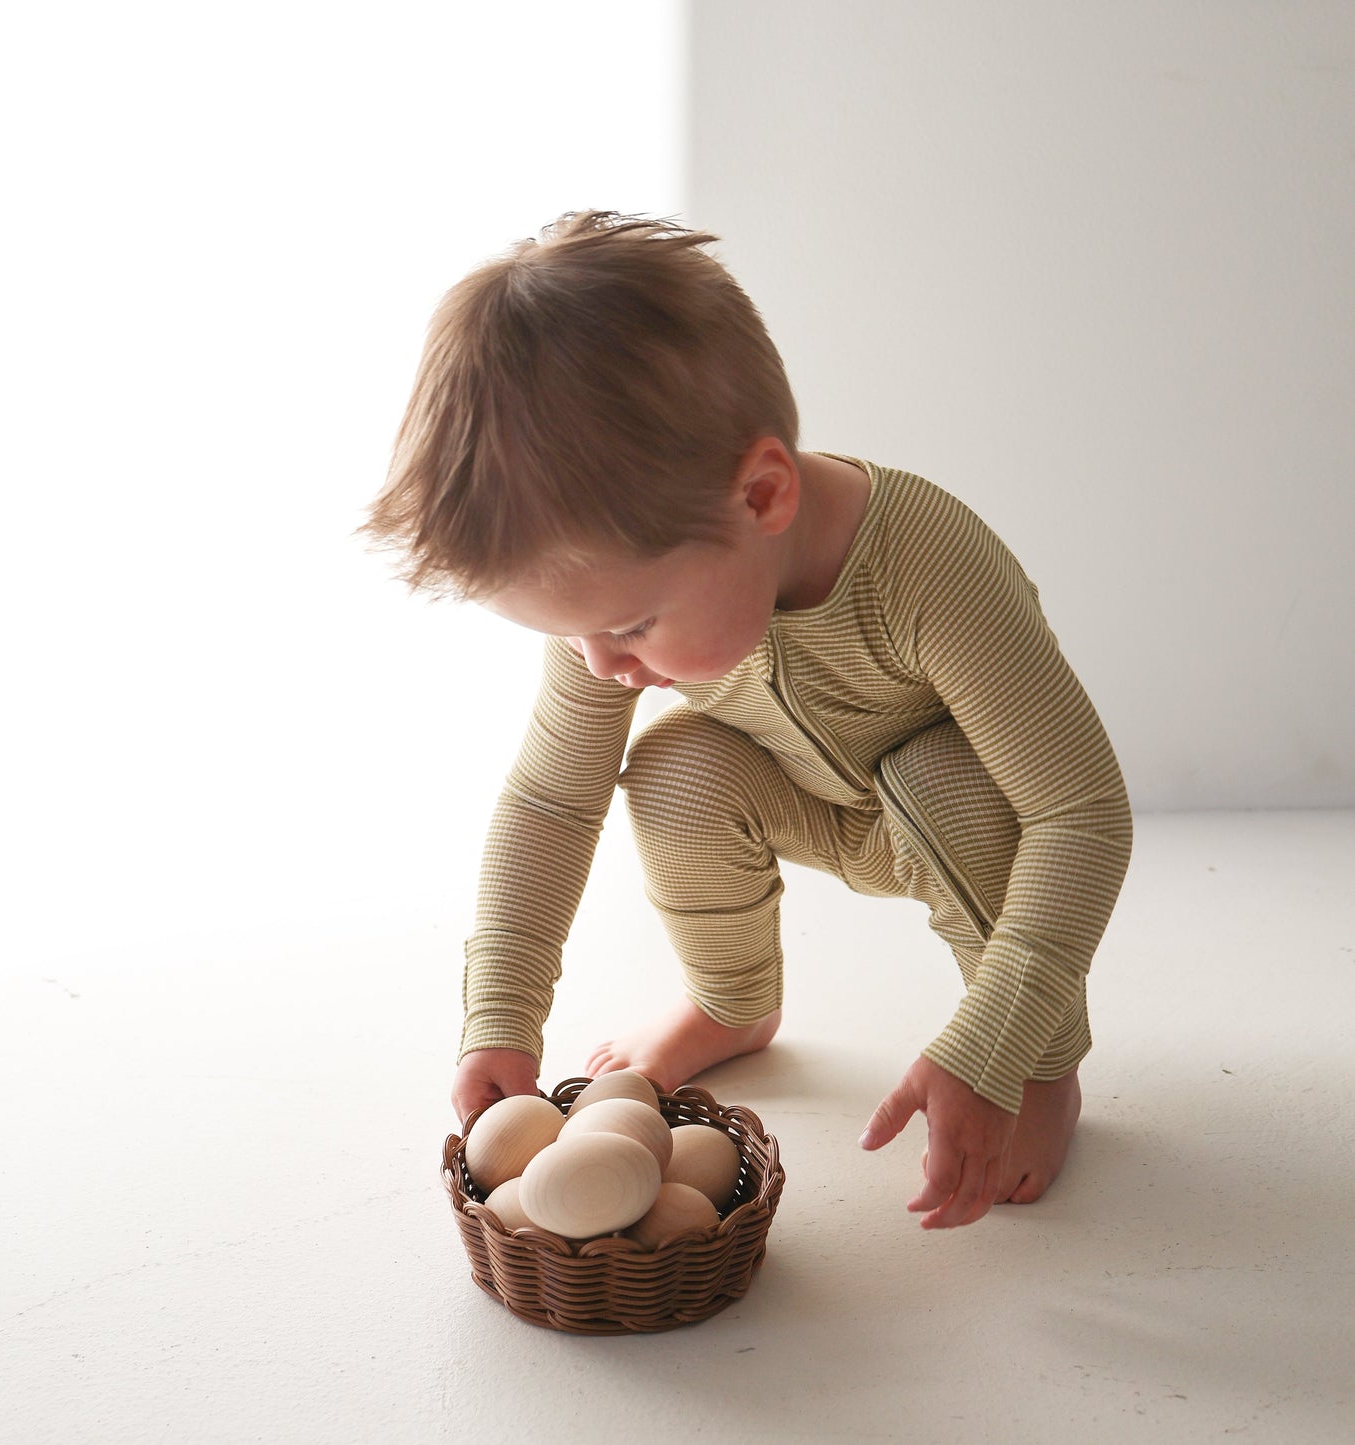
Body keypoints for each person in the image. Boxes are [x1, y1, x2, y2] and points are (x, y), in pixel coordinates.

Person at [361, 211, 1132, 1229]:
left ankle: (1040, 1061)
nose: (601, 664)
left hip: (953, 819)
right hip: (815, 801)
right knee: (676, 767)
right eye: (575, 634)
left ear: (762, 494)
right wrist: (500, 1011)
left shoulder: (925, 567)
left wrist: (990, 1041)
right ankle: (732, 999)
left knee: (949, 780)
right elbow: (551, 799)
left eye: (628, 625)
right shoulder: (630, 588)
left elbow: (1079, 815)